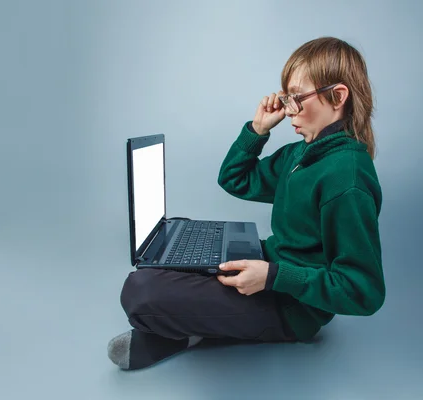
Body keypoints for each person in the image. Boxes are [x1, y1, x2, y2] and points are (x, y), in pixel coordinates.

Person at [107, 36, 385, 370]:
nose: (288, 110)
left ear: (338, 96)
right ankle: (194, 321)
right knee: (172, 240)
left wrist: (272, 277)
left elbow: (363, 291)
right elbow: (235, 179)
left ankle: (187, 331)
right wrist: (257, 130)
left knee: (140, 291)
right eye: (286, 98)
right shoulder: (302, 153)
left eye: (297, 98)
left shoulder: (347, 179)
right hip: (269, 263)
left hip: (290, 307)